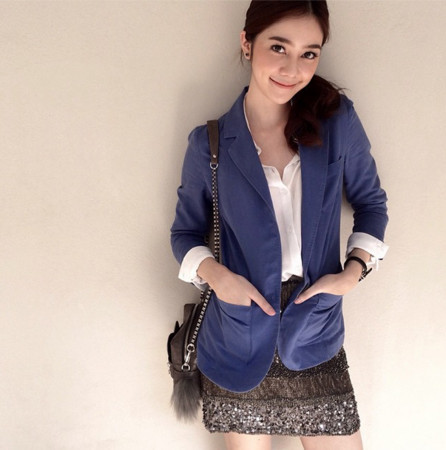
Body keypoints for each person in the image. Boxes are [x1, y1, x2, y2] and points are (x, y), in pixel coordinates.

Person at [170, 1, 388, 449]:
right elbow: (184, 234)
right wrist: (220, 279)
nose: (293, 69)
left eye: (309, 53)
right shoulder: (210, 144)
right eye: (278, 47)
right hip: (238, 335)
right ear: (247, 44)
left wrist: (353, 272)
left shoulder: (337, 122)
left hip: (315, 330)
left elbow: (371, 204)